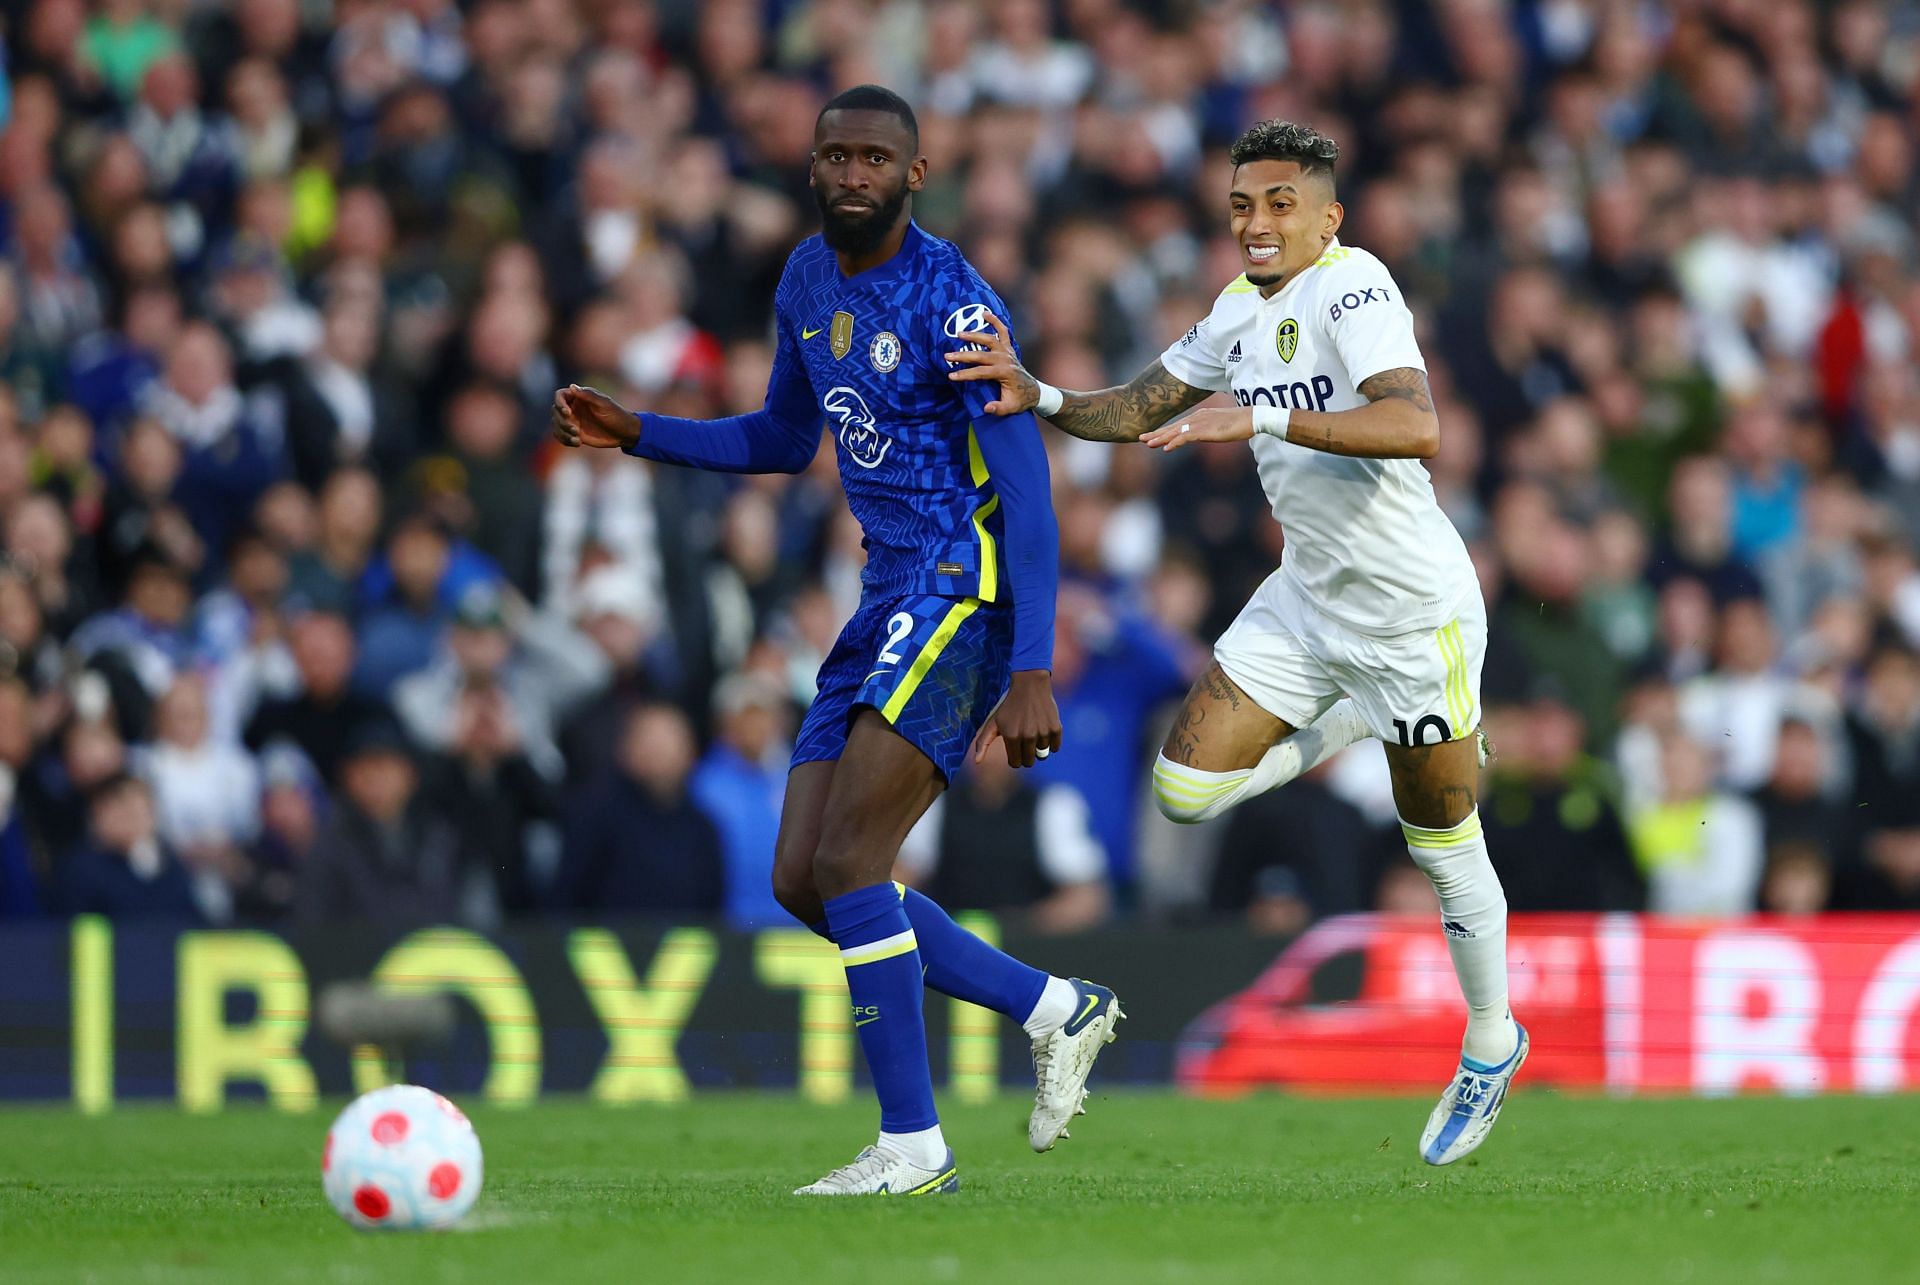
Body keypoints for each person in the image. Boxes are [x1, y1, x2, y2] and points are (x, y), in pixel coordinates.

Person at [550, 84, 1120, 1196]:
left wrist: (1033, 660)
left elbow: (1029, 488)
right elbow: (782, 434)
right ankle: (1055, 1007)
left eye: (873, 157)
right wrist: (642, 432)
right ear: (813, 166)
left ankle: (912, 1145)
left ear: (915, 174)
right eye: (834, 155)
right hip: (882, 595)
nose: (850, 173)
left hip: (961, 589)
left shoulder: (955, 303)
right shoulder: (806, 279)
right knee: (804, 880)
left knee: (854, 860)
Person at [949, 120, 1522, 1167]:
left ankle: (1491, 1040)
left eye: (1281, 204)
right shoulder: (1231, 312)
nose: (1258, 223)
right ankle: (1352, 723)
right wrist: (1038, 392)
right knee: (1182, 793)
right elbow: (1135, 409)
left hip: (1409, 616)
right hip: (1306, 602)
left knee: (1443, 844)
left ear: (1327, 216)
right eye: (1244, 204)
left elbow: (1416, 425)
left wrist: (1259, 419)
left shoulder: (1355, 291)